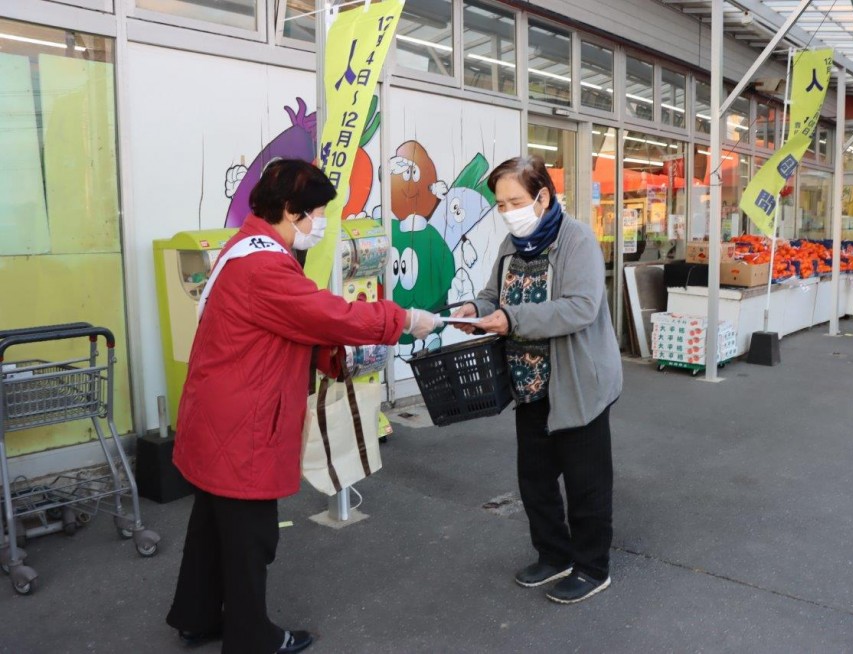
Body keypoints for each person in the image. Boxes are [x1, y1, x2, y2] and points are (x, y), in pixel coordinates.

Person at [165, 159, 442, 654]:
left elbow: (287, 323)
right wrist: (403, 317)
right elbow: (324, 313)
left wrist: (328, 352)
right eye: (314, 212)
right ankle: (252, 639)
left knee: (212, 524)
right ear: (290, 211)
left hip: (218, 412)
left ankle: (198, 616)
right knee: (251, 538)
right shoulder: (266, 264)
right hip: (243, 422)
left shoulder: (244, 247)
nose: (318, 223)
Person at [451, 155, 622, 604]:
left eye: (516, 201)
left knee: (586, 482)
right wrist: (477, 308)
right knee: (536, 479)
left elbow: (580, 307)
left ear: (543, 196)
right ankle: (554, 554)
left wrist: (511, 319)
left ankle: (591, 566)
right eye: (501, 204)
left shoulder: (577, 239)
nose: (508, 212)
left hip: (577, 383)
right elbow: (494, 293)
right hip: (528, 385)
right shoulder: (513, 245)